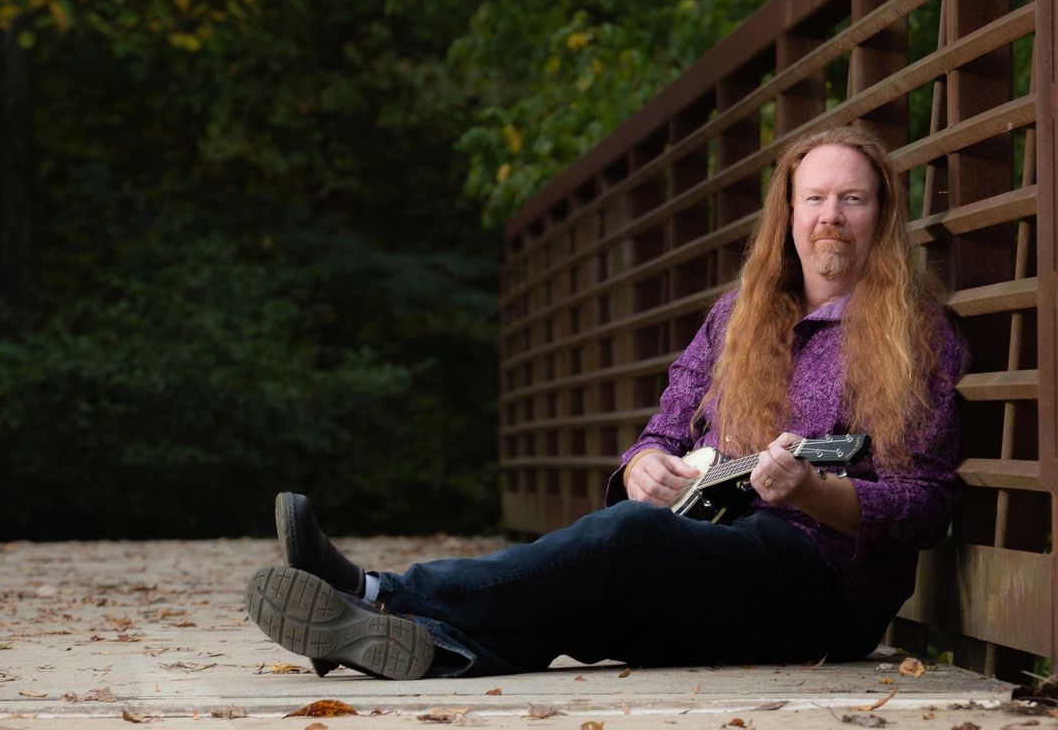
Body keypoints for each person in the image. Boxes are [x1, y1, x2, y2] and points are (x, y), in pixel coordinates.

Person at [244, 126, 965, 679]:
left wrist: (814, 492)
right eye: (815, 198)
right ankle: (424, 649)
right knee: (583, 601)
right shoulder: (736, 318)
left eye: (852, 199)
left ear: (882, 213)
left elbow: (927, 505)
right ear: (788, 213)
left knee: (626, 541)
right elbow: (661, 431)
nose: (830, 216)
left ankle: (374, 593)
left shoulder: (915, 332)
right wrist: (645, 464)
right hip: (711, 557)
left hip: (820, 593)